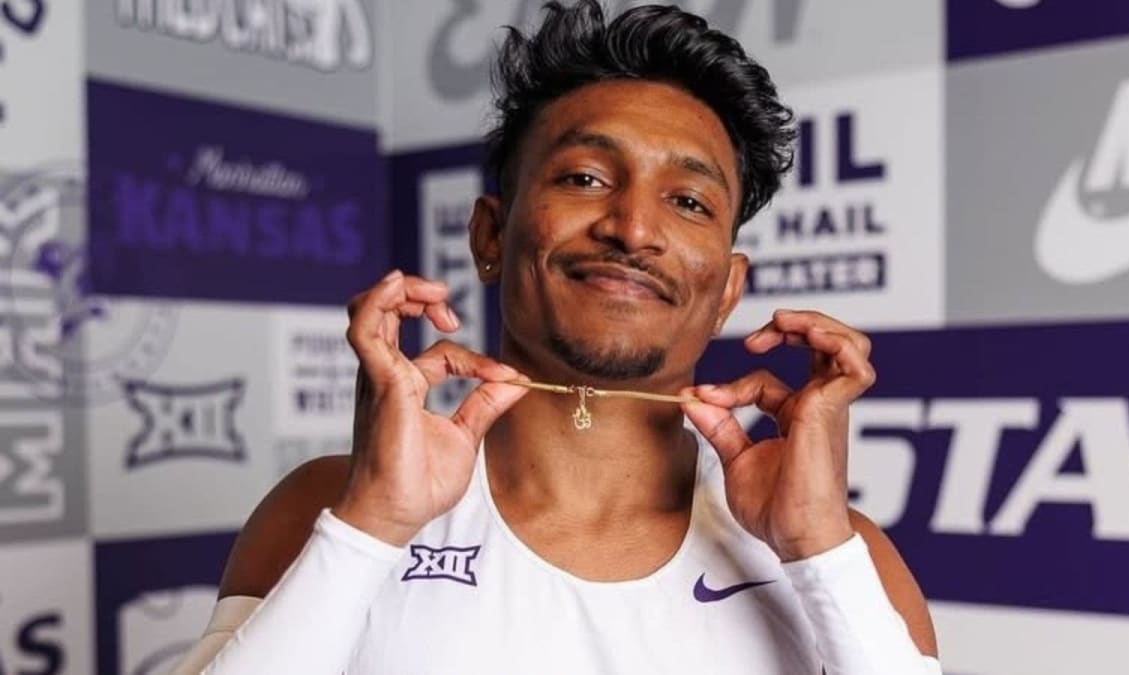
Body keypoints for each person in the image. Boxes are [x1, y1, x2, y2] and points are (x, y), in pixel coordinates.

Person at [172, 2, 940, 673]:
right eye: (584, 178)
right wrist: (372, 522)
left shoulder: (843, 556)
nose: (633, 228)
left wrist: (816, 550)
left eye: (688, 201)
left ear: (728, 290)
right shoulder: (331, 509)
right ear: (490, 236)